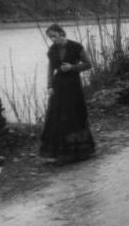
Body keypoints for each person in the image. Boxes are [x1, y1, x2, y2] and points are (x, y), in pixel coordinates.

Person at [40, 24, 95, 164]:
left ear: (61, 33)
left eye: (54, 35)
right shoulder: (52, 50)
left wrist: (73, 67)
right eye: (50, 37)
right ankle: (58, 153)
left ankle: (79, 152)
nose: (52, 39)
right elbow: (50, 68)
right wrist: (49, 85)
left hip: (73, 84)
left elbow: (88, 64)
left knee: (75, 115)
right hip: (58, 86)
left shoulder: (76, 47)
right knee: (57, 116)